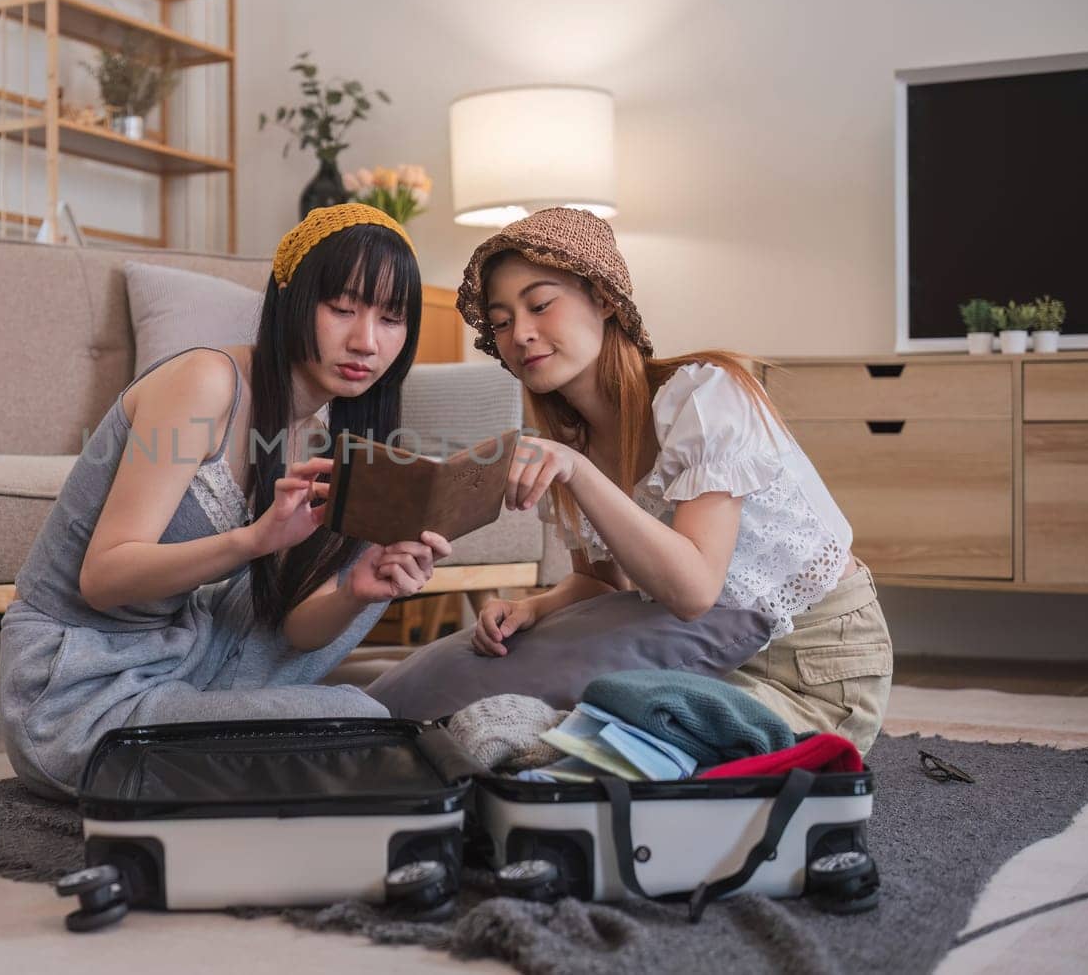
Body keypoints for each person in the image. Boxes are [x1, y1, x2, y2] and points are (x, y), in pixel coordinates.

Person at [371, 207, 892, 754]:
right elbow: (600, 585)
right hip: (698, 648)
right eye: (500, 322)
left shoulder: (706, 396)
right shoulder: (569, 444)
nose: (520, 334)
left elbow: (693, 591)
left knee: (595, 749)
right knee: (541, 726)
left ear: (603, 299)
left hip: (817, 667)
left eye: (541, 304)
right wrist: (534, 607)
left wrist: (579, 472)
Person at [0, 204, 453, 797]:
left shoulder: (322, 435)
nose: (365, 341)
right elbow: (103, 578)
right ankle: (258, 729)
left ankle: (241, 725)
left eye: (391, 319)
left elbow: (291, 627)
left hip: (186, 658)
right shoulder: (206, 382)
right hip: (77, 690)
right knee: (352, 720)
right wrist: (254, 540)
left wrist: (354, 592)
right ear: (292, 300)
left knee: (370, 553)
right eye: (342, 309)